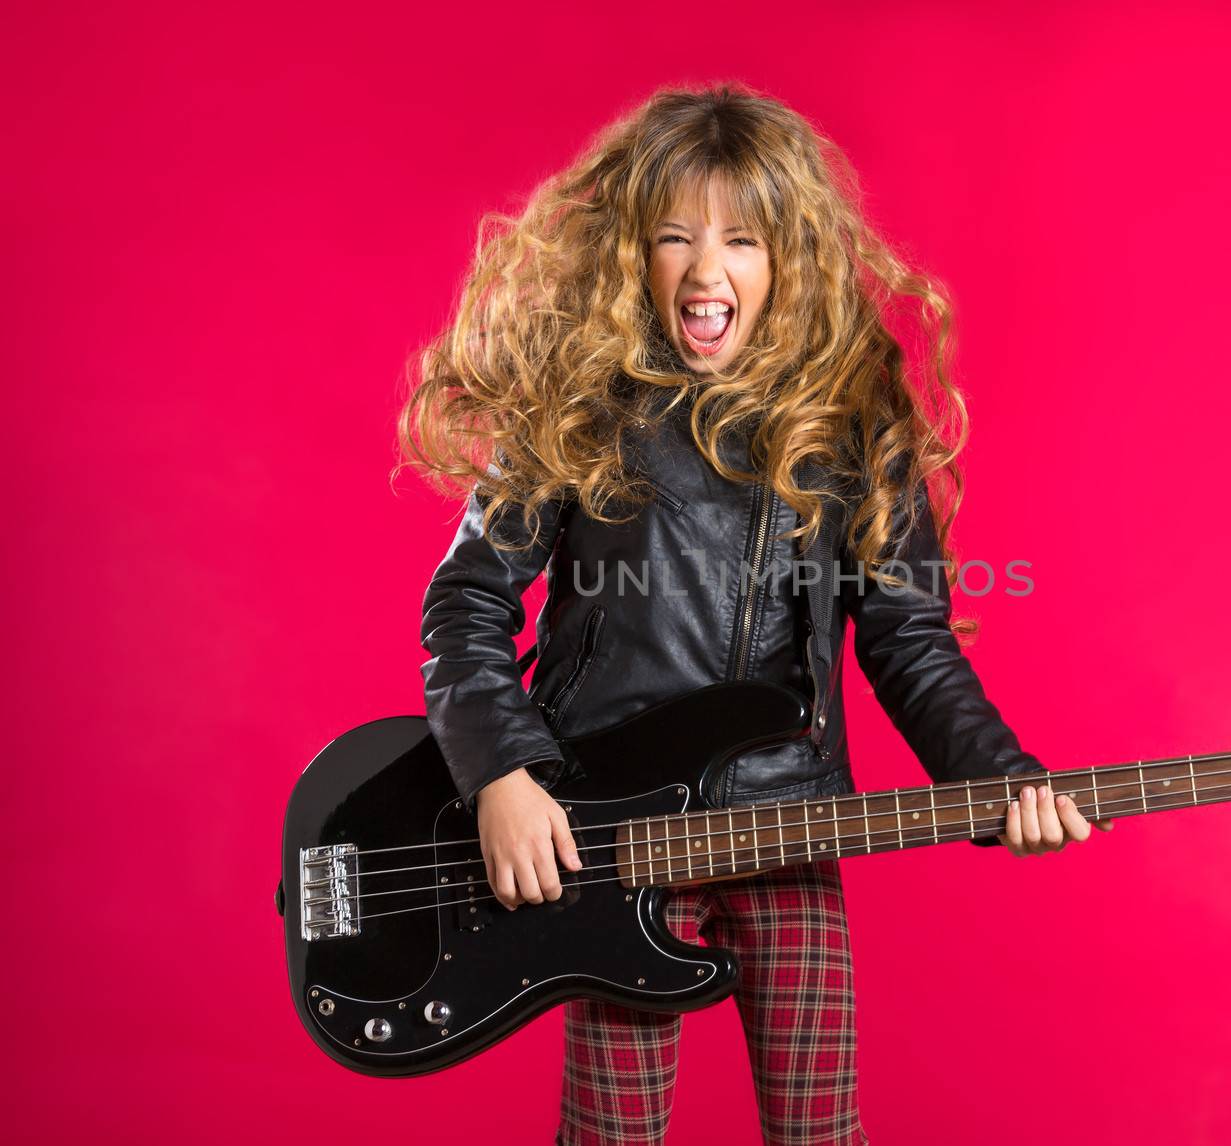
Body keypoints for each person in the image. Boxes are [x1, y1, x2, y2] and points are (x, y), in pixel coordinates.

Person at [399, 82, 1100, 1146]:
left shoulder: (856, 419)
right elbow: (465, 602)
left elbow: (907, 637)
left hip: (791, 822)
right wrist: (503, 773)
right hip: (611, 840)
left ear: (793, 259)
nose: (707, 270)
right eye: (674, 238)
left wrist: (999, 781)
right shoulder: (575, 403)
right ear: (633, 252)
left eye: (745, 241)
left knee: (823, 1135)